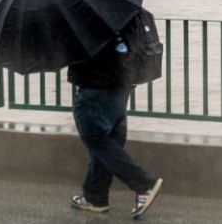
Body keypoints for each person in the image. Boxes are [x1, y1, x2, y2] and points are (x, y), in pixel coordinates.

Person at [67, 32, 164, 219]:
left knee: (94, 137)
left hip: (96, 84)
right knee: (108, 139)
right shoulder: (119, 12)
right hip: (122, 81)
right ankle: (95, 196)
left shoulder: (82, 18)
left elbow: (73, 50)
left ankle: (144, 184)